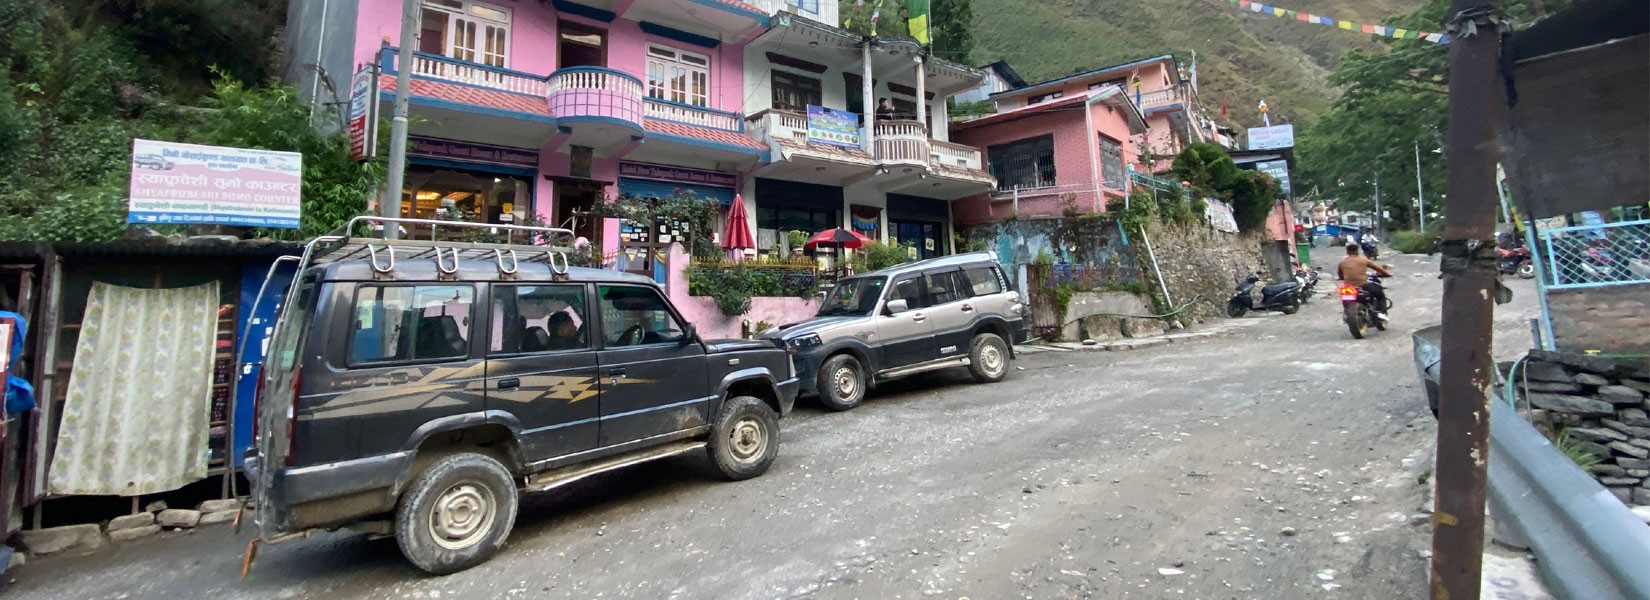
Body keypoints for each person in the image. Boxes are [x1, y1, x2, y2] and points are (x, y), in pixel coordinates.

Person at [1337, 244, 1393, 321]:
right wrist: (1386, 274)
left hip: (1348, 286)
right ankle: (1382, 314)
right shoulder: (1363, 259)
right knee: (1380, 294)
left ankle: (1346, 313)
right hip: (1363, 285)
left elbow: (1340, 276)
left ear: (1347, 252)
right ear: (1357, 251)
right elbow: (1377, 268)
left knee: (1344, 297)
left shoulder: (1342, 262)